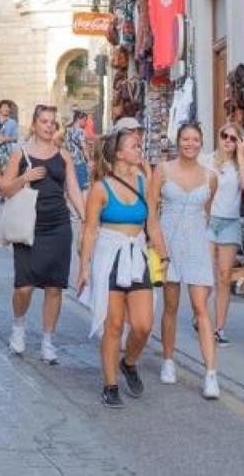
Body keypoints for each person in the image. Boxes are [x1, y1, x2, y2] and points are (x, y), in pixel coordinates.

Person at [76, 126, 167, 408]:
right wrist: (83, 267)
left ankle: (129, 362)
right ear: (118, 153)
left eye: (139, 146)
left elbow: (152, 222)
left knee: (142, 325)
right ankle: (110, 385)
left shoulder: (143, 181)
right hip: (110, 255)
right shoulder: (100, 188)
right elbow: (90, 230)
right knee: (113, 325)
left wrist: (162, 256)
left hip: (138, 254)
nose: (139, 149)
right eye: (134, 146)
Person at [0, 104, 86, 366]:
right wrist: (24, 178)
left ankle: (48, 341)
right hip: (29, 226)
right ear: (35, 124)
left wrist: (86, 219)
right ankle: (19, 325)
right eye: (44, 121)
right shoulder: (20, 153)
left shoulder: (63, 156)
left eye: (52, 122)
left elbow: (72, 189)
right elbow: (4, 188)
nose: (49, 126)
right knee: (24, 287)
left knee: (54, 286)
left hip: (58, 225)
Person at [151, 122, 220, 398]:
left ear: (201, 143)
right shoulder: (163, 170)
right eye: (185, 139)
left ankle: (211, 374)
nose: (189, 144)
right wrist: (159, 248)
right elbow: (152, 212)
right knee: (170, 306)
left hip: (197, 244)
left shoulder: (210, 177)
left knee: (201, 307)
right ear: (178, 141)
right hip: (169, 242)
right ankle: (168, 360)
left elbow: (207, 210)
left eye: (194, 139)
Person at [209, 122, 244, 345]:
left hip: (230, 222)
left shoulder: (240, 165)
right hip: (208, 221)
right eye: (224, 135)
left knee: (224, 277)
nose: (228, 141)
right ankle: (201, 314)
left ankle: (219, 327)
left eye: (233, 138)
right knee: (207, 275)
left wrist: (243, 153)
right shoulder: (208, 161)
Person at [64, 110, 92, 195]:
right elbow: (84, 148)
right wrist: (89, 160)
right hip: (79, 162)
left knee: (70, 187)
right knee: (83, 188)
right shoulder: (80, 131)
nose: (85, 123)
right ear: (79, 119)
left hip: (69, 162)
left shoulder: (68, 131)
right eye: (84, 120)